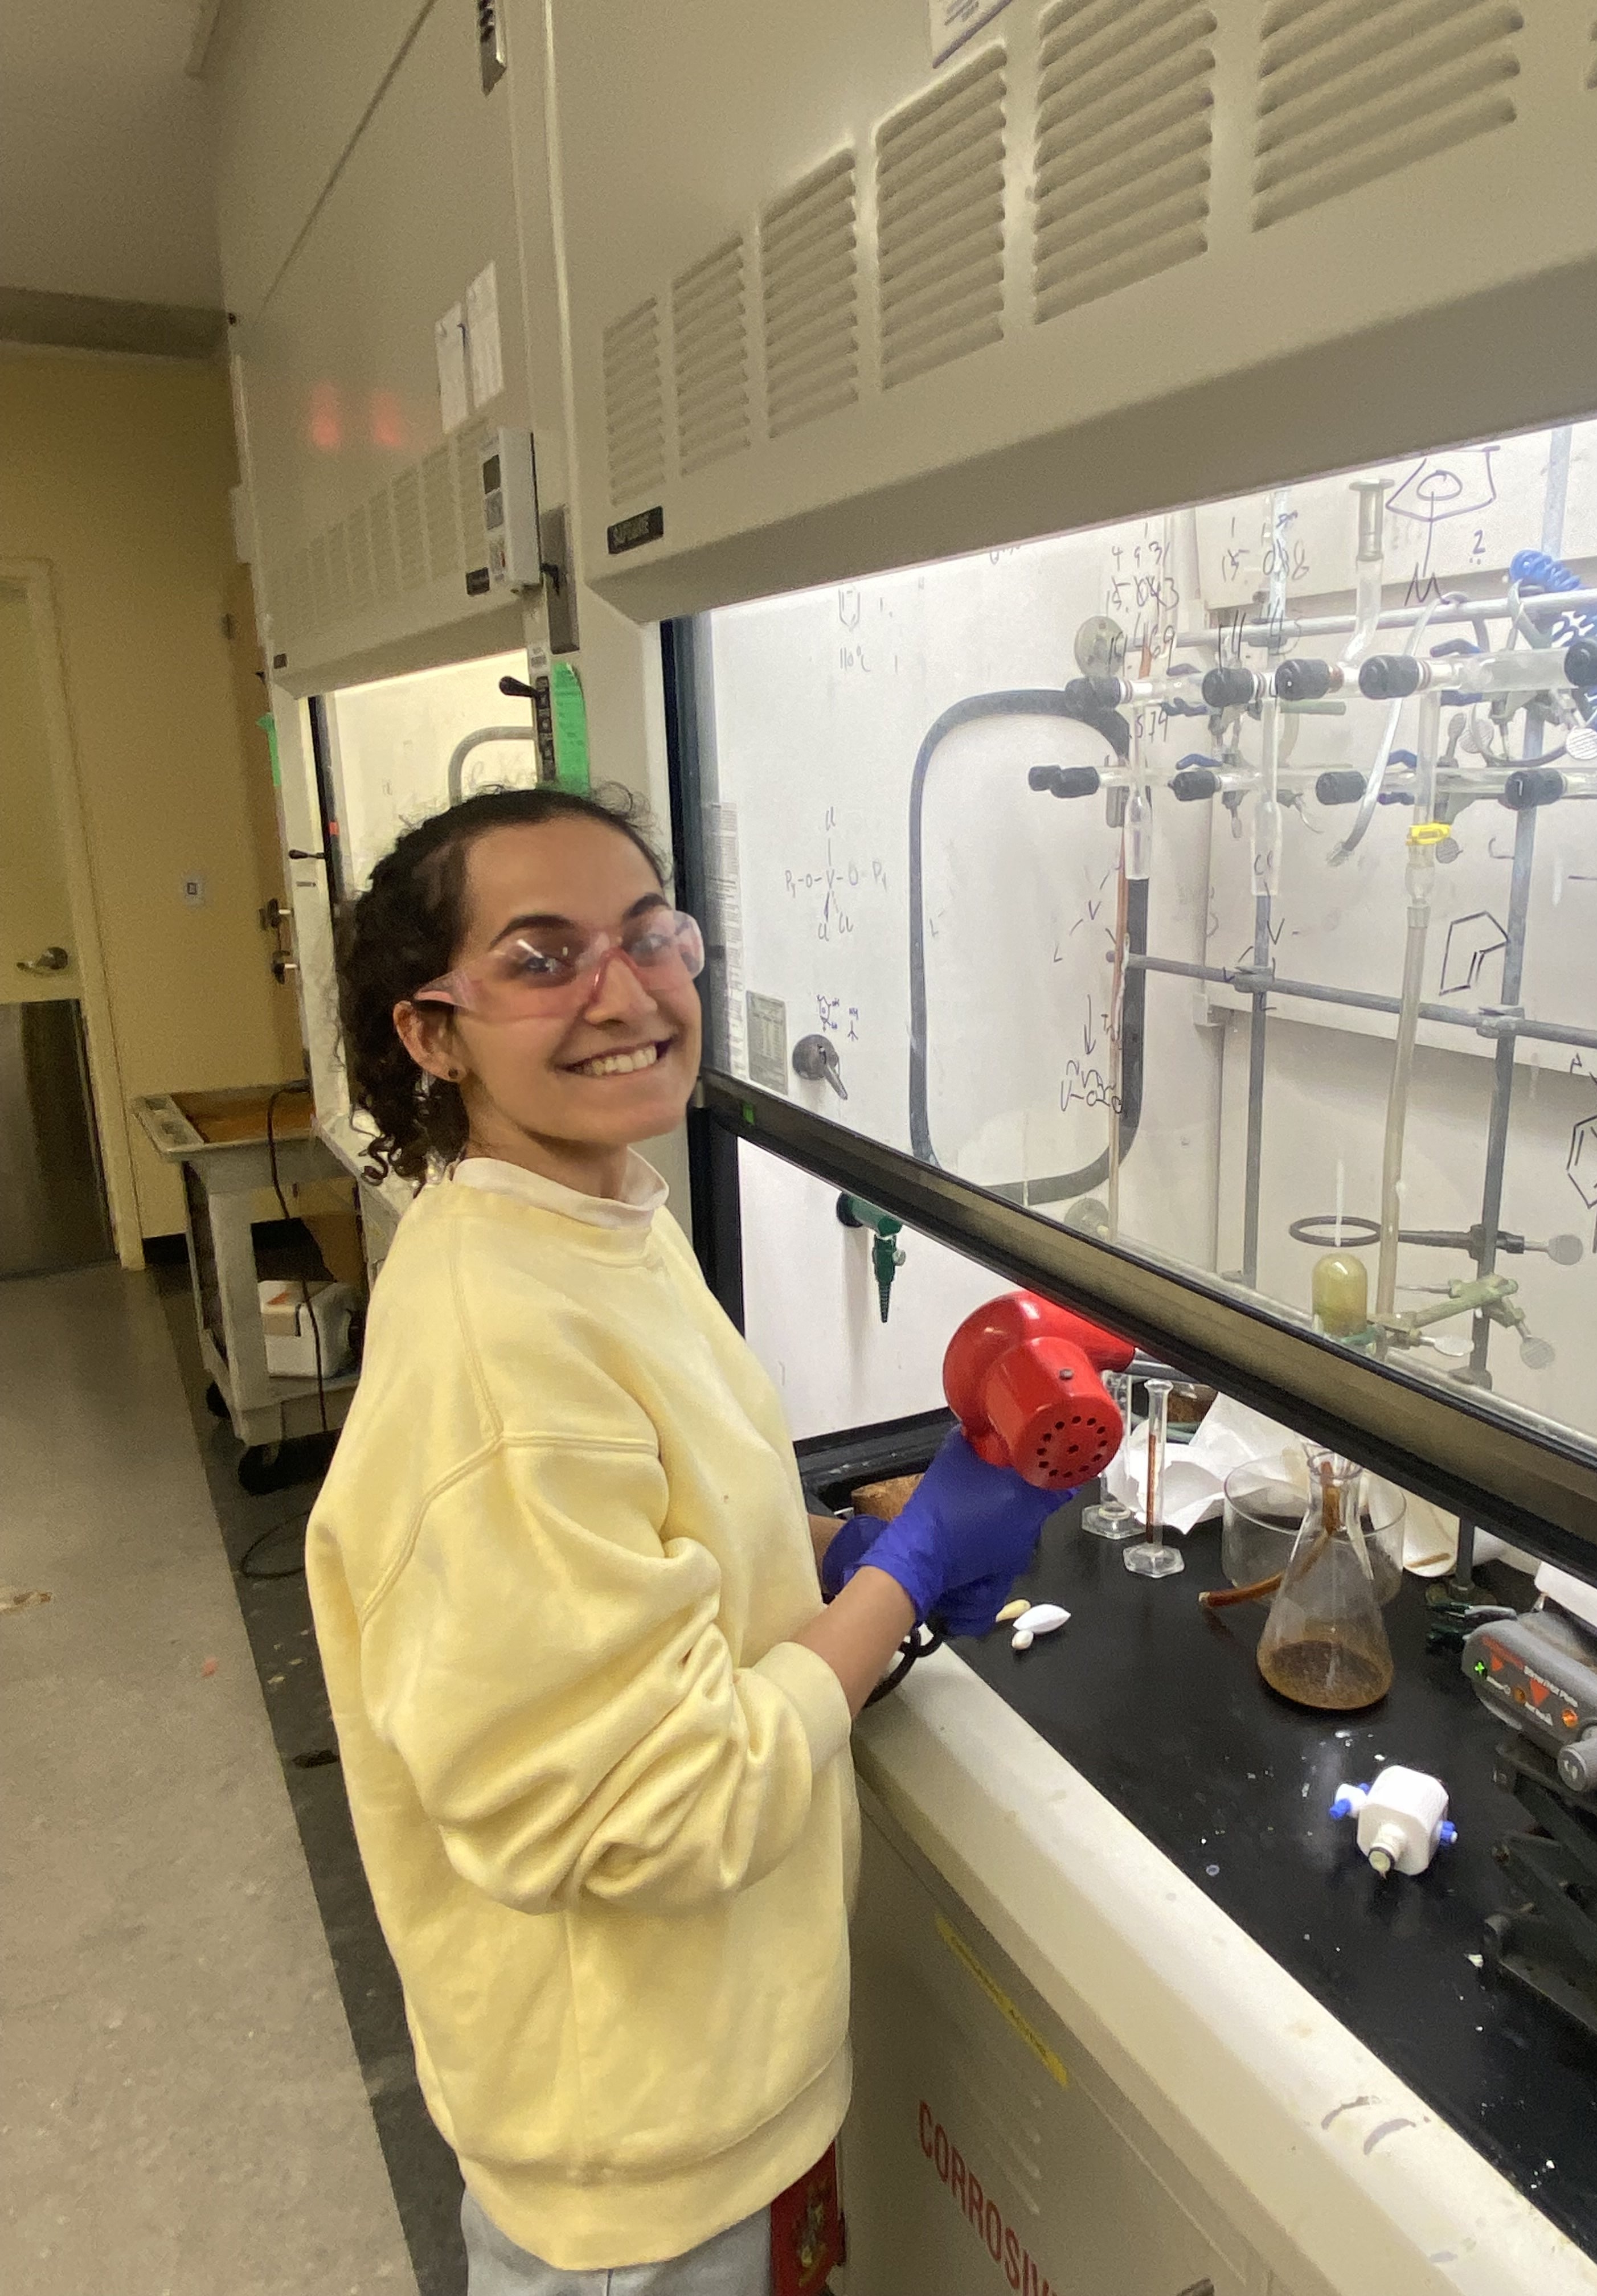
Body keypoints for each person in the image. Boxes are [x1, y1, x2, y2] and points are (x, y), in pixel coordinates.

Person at [306, 786, 1063, 2295]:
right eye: (542, 958)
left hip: (707, 2083)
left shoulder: (602, 1223)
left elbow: (643, 1540)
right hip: (636, 2157)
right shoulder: (496, 1347)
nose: (625, 991)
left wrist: (828, 1546)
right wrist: (899, 1589)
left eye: (651, 937)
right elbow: (646, 1811)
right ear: (430, 1034)